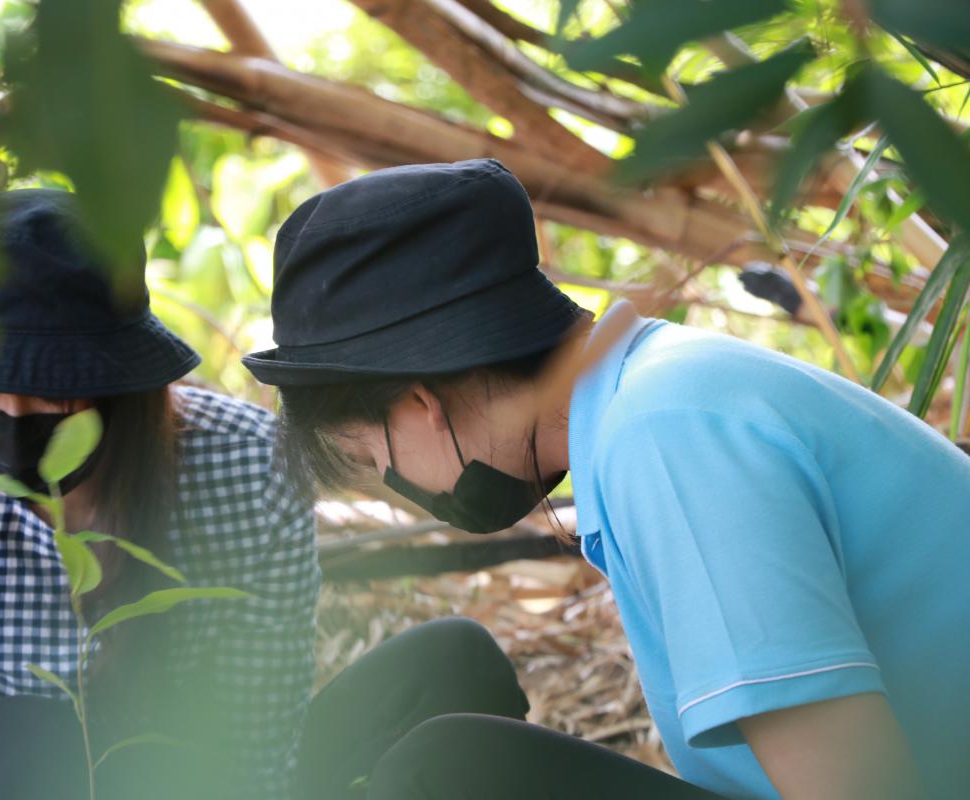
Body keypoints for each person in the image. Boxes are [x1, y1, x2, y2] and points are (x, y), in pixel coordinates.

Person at [241, 158, 970, 799]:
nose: (398, 487)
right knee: (441, 673)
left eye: (374, 462)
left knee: (451, 769)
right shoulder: (655, 393)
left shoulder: (666, 436)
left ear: (418, 405)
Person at [0, 190, 320, 799]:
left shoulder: (255, 471)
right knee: (21, 737)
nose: (14, 414)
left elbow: (255, 750)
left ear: (122, 383)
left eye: (52, 387)